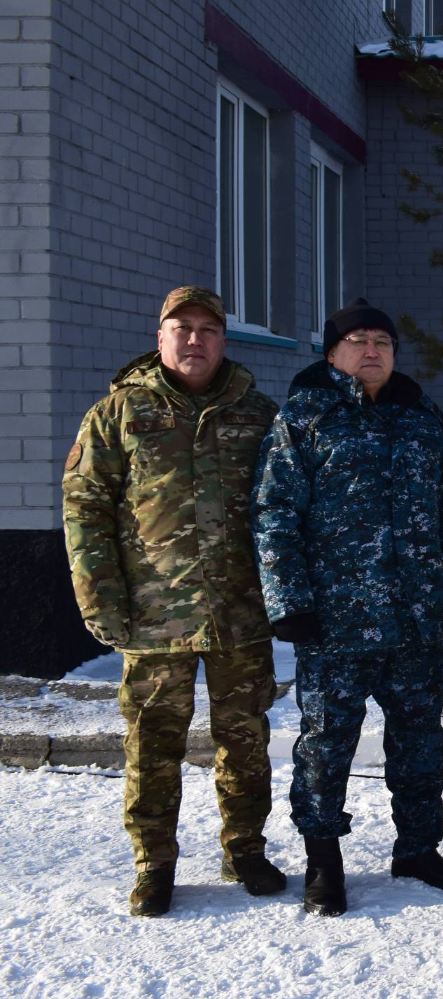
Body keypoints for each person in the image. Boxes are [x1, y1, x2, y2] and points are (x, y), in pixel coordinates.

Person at [62, 286, 286, 916]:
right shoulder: (118, 415)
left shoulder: (257, 413)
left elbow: (283, 509)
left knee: (244, 740)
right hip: (155, 616)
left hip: (241, 613)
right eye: (181, 328)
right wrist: (99, 598)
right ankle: (154, 862)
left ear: (224, 340)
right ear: (160, 337)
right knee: (152, 745)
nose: (195, 339)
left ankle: (244, 848)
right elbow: (84, 512)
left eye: (208, 329)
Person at [253, 299, 443, 916]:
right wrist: (288, 602)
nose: (371, 350)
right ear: (331, 354)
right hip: (335, 622)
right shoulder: (305, 417)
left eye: (383, 340)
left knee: (420, 743)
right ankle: (324, 861)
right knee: (326, 747)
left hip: (414, 622)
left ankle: (418, 849)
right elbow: (274, 514)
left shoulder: (421, 416)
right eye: (357, 340)